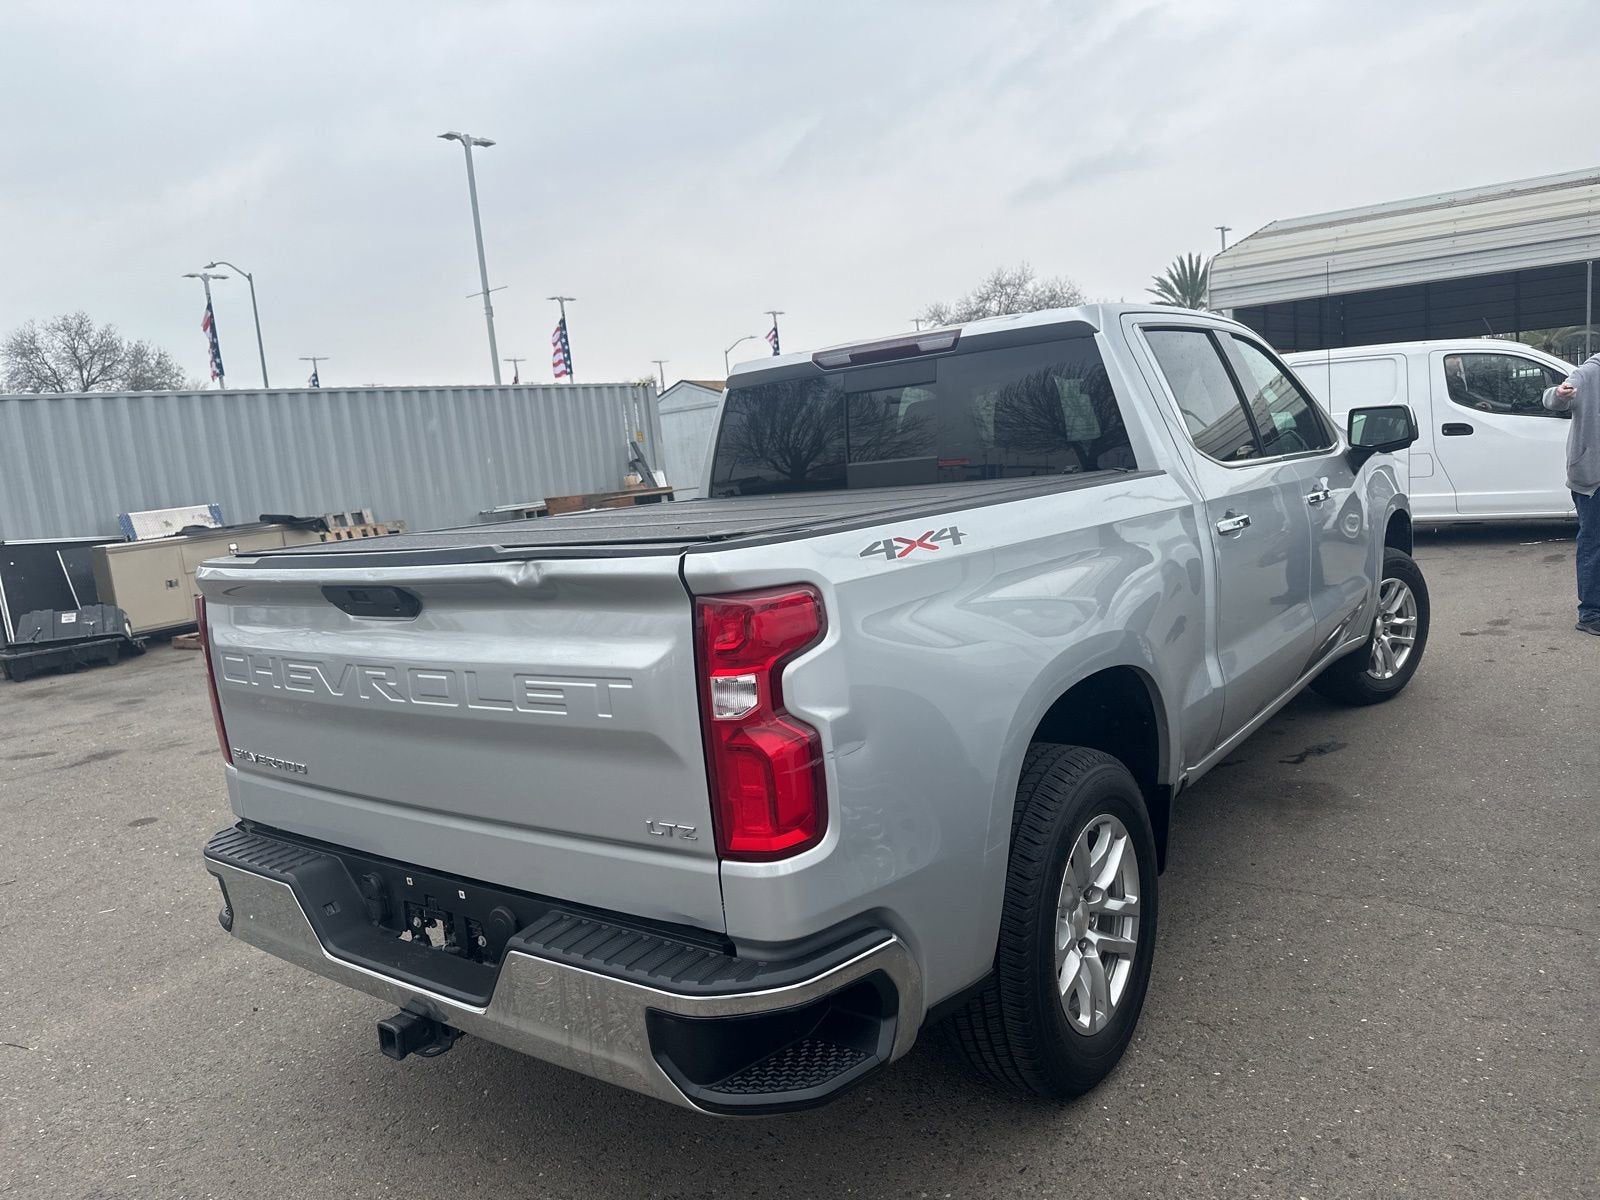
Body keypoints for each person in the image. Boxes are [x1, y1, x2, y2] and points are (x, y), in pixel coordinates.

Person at [1544, 351, 1600, 634]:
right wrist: (1559, 393)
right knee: (1593, 543)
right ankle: (1590, 613)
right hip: (1593, 477)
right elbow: (1553, 398)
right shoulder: (1590, 372)